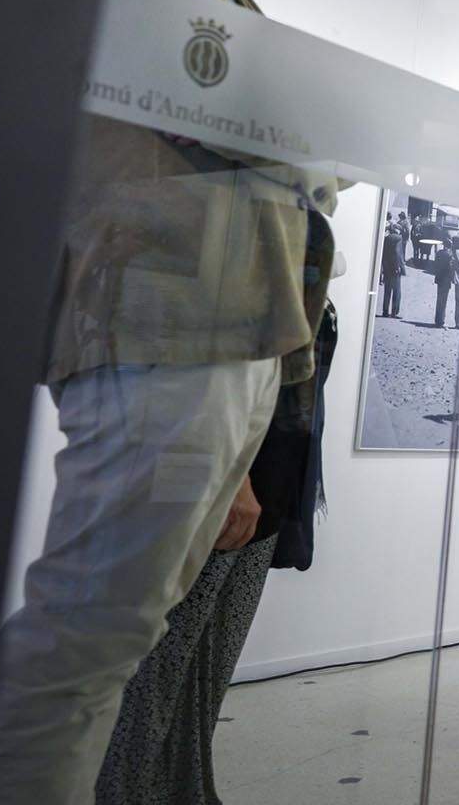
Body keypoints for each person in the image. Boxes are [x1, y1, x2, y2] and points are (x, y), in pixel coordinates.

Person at [0, 0, 339, 805]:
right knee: (86, 643)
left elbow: (277, 137)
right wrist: (315, 147)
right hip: (161, 327)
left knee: (114, 636)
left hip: (209, 334)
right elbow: (259, 119)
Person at [95, 218, 338, 804]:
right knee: (160, 667)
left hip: (268, 491)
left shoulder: (304, 229)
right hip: (223, 485)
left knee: (204, 671)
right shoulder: (236, 220)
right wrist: (234, 478)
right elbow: (204, 374)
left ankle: (186, 791)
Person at [379, 224, 406, 317]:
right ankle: (394, 312)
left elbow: (383, 254)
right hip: (395, 269)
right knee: (397, 291)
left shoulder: (386, 238)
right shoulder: (398, 238)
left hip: (387, 268)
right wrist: (400, 268)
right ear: (397, 230)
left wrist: (384, 267)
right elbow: (398, 254)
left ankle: (385, 311)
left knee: (387, 291)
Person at [433, 241, 457, 327]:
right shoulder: (450, 255)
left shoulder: (439, 253)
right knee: (444, 301)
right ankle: (441, 321)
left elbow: (435, 265)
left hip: (439, 279)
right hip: (446, 280)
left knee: (439, 300)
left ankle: (437, 320)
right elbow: (451, 268)